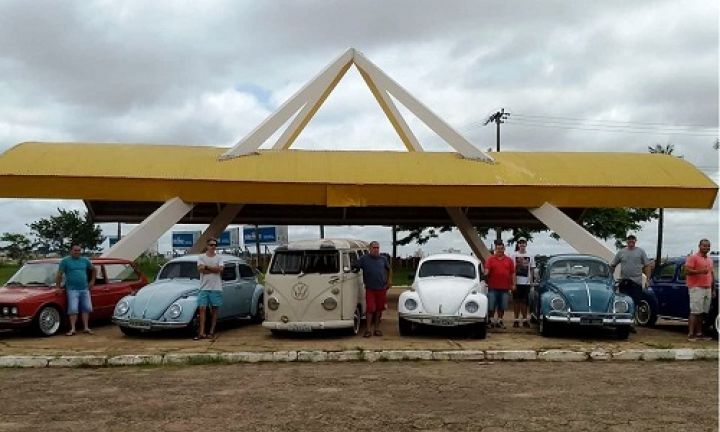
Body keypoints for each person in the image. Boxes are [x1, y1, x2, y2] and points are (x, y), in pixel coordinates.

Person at [609, 234, 650, 332]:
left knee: (635, 303)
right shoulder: (621, 252)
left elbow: (647, 265)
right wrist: (610, 276)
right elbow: (613, 265)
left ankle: (632, 323)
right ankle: (623, 323)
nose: (631, 241)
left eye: (633, 240)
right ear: (626, 241)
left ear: (635, 241)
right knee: (624, 302)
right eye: (629, 240)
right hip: (624, 282)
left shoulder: (641, 252)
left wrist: (648, 279)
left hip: (636, 282)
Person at [55, 244, 96, 336]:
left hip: (84, 288)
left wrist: (92, 281)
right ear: (71, 251)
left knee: (86, 308)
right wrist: (57, 287)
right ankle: (73, 328)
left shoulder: (85, 260)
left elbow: (94, 269)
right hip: (72, 289)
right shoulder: (65, 261)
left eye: (79, 250)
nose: (77, 252)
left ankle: (86, 327)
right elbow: (59, 274)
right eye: (75, 250)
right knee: (73, 309)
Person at [355, 241, 392, 337]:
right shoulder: (364, 259)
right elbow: (356, 266)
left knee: (379, 309)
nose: (376, 250)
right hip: (370, 288)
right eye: (374, 248)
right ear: (369, 249)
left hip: (381, 288)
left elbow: (389, 269)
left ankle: (377, 329)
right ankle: (368, 330)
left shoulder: (383, 259)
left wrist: (389, 281)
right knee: (370, 308)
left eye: (377, 248)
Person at [685, 239, 714, 341]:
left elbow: (711, 274)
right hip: (696, 287)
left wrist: (713, 288)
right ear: (699, 246)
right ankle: (691, 334)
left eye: (708, 246)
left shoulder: (710, 259)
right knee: (695, 311)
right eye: (704, 246)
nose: (706, 248)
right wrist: (700, 271)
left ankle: (699, 333)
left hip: (707, 288)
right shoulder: (693, 257)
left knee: (702, 312)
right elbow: (687, 271)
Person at [195, 238, 224, 340]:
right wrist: (213, 269)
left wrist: (206, 267)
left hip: (216, 287)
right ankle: (201, 332)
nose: (213, 247)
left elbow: (220, 269)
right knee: (202, 309)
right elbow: (200, 269)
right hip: (203, 287)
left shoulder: (219, 258)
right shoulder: (201, 257)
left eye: (215, 245)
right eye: (211, 245)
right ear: (207, 246)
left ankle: (211, 331)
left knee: (214, 310)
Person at [484, 240, 515, 329]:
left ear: (504, 249)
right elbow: (487, 270)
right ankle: (491, 320)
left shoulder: (509, 260)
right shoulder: (490, 259)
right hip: (493, 286)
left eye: (501, 248)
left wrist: (513, 284)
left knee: (502, 305)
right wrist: (485, 274)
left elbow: (512, 273)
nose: (500, 250)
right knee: (491, 305)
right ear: (495, 249)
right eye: (498, 249)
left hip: (505, 287)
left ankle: (500, 321)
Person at [512, 237, 535, 328]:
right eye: (520, 243)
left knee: (524, 302)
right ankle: (516, 320)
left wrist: (531, 281)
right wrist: (512, 283)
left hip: (526, 283)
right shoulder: (513, 255)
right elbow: (512, 270)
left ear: (526, 244)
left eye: (523, 243)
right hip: (516, 282)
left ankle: (525, 320)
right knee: (516, 301)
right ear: (518, 244)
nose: (522, 245)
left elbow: (532, 270)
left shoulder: (530, 255)